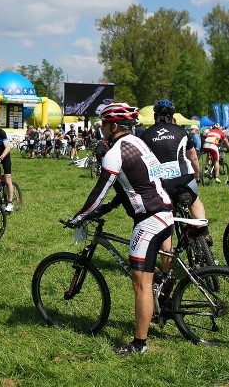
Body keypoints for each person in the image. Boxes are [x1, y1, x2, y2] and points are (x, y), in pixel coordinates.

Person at [65, 103, 174, 356]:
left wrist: (80, 217)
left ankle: (139, 343)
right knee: (148, 274)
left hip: (149, 219)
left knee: (140, 284)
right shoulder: (140, 144)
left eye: (103, 124)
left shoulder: (115, 152)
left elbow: (99, 192)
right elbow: (136, 182)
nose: (101, 129)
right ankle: (164, 291)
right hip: (164, 212)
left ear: (113, 126)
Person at [140, 100, 209, 243]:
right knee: (194, 200)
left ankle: (167, 262)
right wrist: (197, 176)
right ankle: (204, 232)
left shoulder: (146, 135)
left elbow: (143, 163)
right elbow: (193, 157)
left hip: (161, 183)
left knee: (166, 218)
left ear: (155, 117)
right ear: (172, 117)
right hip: (184, 177)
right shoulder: (181, 131)